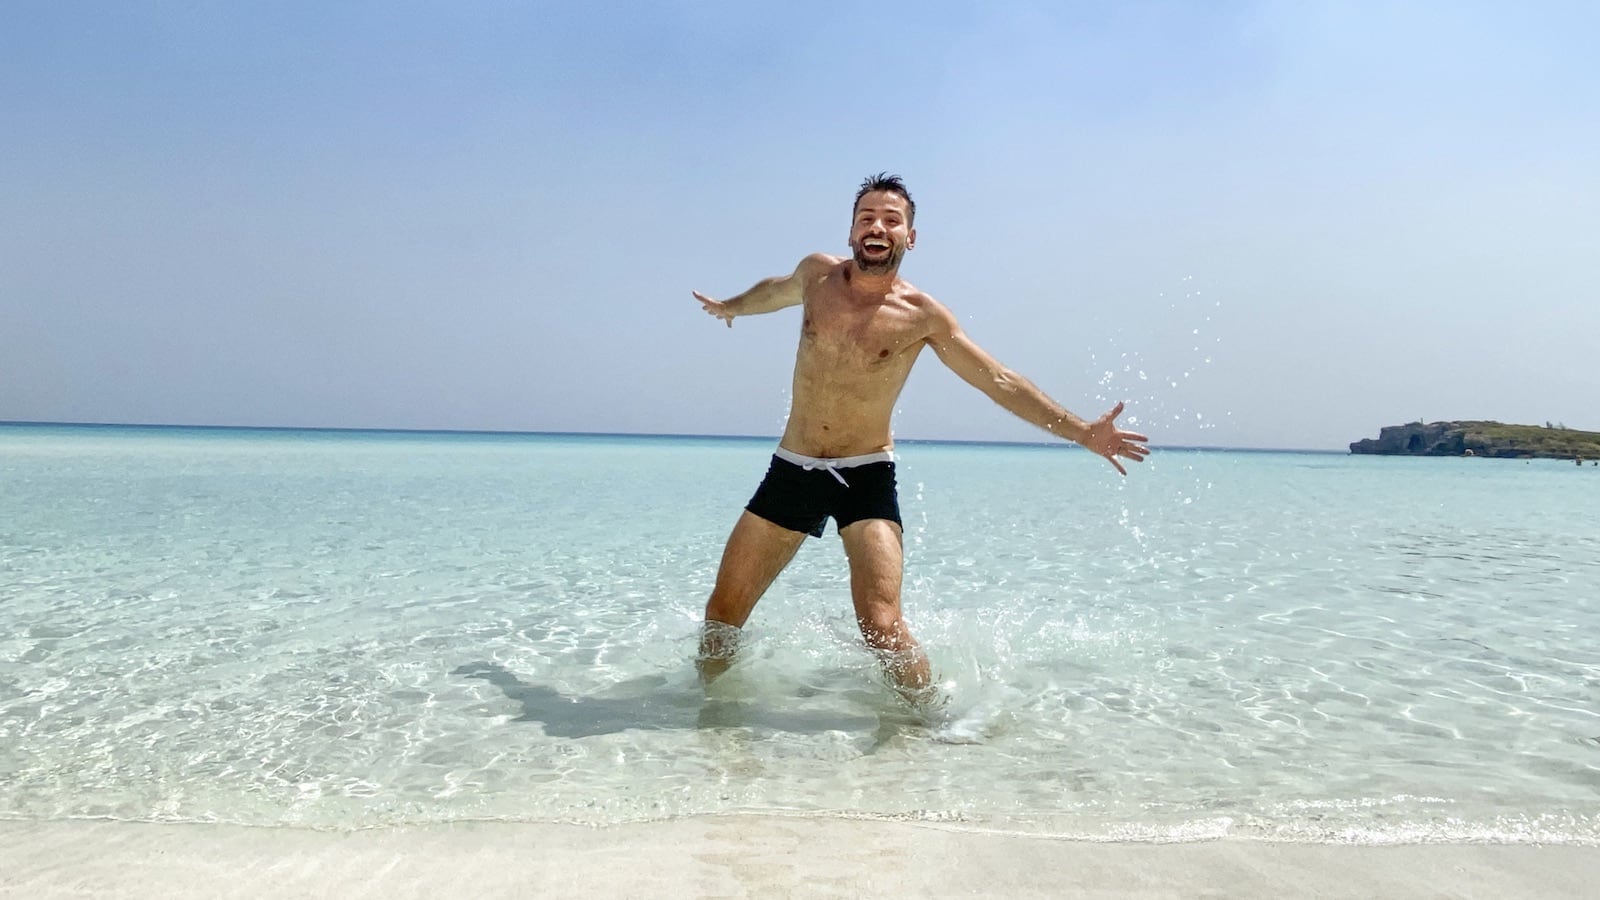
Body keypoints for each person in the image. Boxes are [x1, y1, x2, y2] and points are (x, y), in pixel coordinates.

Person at [691, 173, 1149, 702]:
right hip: (792, 467)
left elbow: (998, 380)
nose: (877, 226)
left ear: (910, 237)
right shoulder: (816, 276)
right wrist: (731, 306)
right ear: (851, 232)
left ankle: (932, 723)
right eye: (867, 218)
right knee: (723, 615)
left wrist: (1083, 433)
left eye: (892, 220)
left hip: (864, 475)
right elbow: (774, 291)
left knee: (881, 626)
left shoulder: (922, 316)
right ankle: (707, 722)